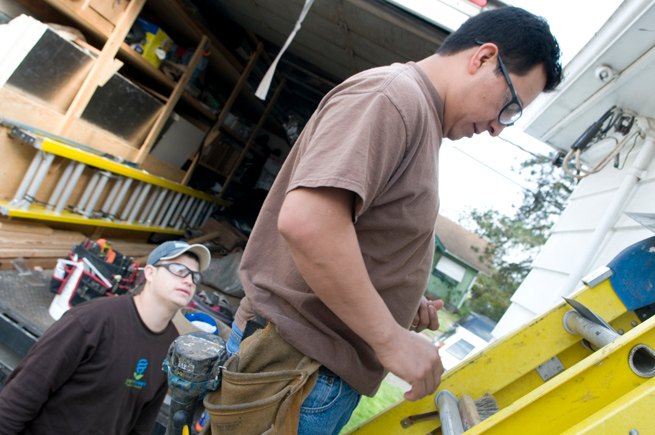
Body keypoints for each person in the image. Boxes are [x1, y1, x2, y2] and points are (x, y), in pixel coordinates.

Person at [226, 6, 563, 434]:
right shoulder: (392, 98)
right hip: (294, 372)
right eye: (509, 107)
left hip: (307, 375)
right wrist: (389, 337)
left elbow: (356, 231)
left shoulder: (418, 115)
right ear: (483, 59)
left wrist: (397, 297)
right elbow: (309, 223)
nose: (499, 128)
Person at [0, 240, 211, 435]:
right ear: (150, 273)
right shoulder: (92, 320)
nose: (189, 281)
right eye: (179, 270)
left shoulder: (171, 348)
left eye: (195, 276)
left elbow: (142, 424)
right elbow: (20, 397)